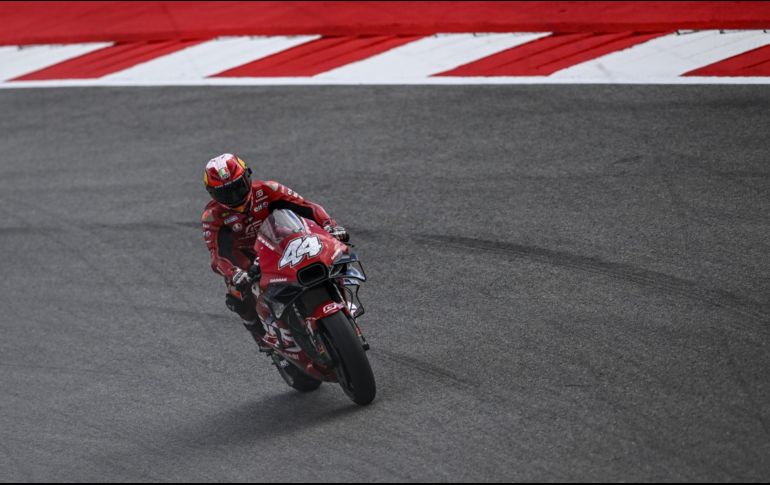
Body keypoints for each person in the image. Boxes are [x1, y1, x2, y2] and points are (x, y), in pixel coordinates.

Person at [201, 153, 347, 343]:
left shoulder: (268, 189)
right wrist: (233, 272)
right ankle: (261, 336)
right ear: (212, 193)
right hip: (247, 261)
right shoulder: (212, 216)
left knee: (329, 254)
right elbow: (217, 256)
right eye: (225, 192)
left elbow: (306, 207)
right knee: (236, 296)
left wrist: (330, 225)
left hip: (281, 244)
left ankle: (340, 297)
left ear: (248, 176)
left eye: (238, 187)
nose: (234, 196)